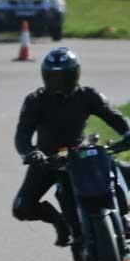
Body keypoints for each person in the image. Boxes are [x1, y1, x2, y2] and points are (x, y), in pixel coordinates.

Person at [13, 47, 130, 250]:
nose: (58, 82)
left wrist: (128, 133)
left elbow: (114, 116)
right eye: (53, 76)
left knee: (116, 171)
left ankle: (125, 219)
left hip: (81, 155)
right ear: (45, 76)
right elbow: (22, 134)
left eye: (64, 76)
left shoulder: (88, 95)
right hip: (47, 158)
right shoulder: (35, 101)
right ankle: (62, 223)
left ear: (75, 74)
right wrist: (30, 152)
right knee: (22, 207)